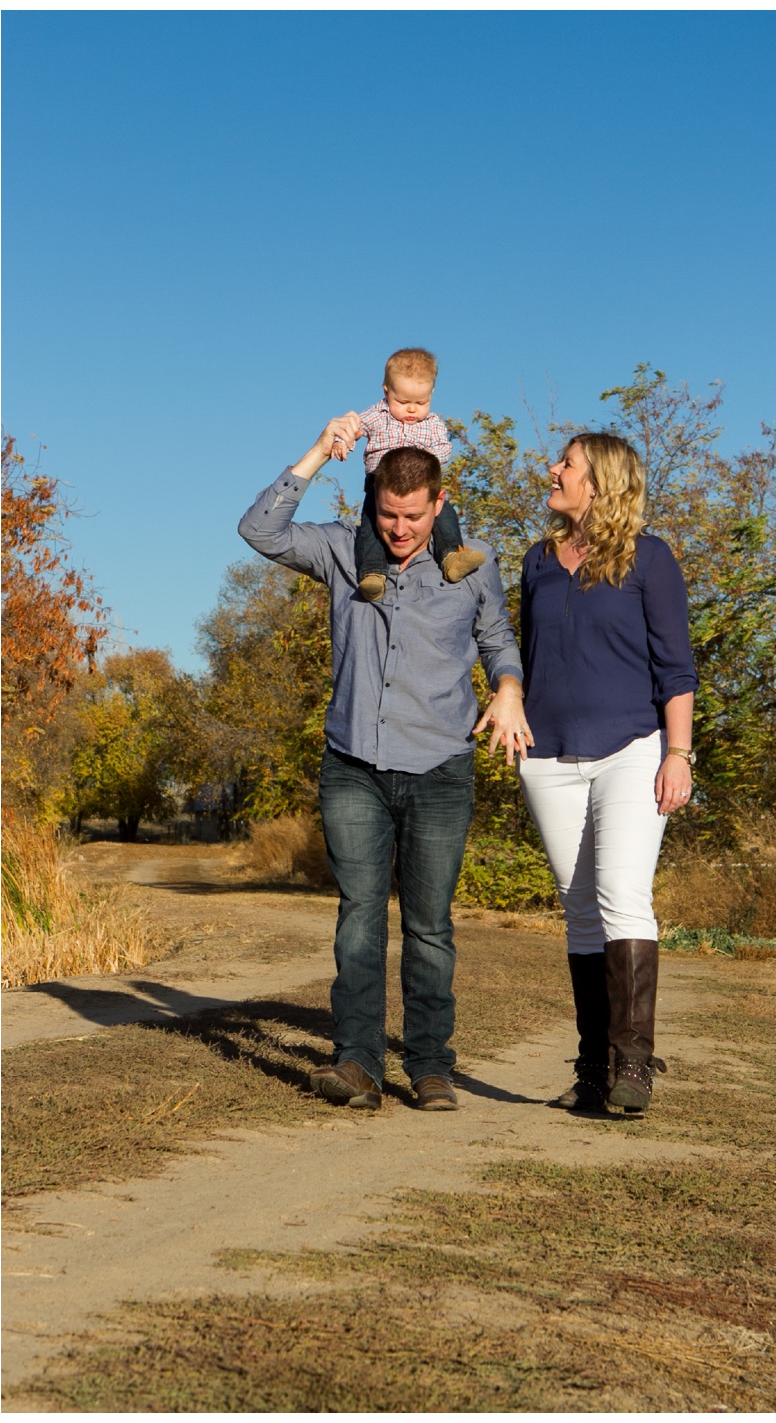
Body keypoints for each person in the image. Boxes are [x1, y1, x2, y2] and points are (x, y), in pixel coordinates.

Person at [239, 414, 531, 1112]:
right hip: (354, 766)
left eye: (412, 515)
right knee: (360, 915)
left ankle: (430, 1066)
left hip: (439, 768)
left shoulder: (474, 564)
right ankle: (359, 1063)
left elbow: (498, 641)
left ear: (439, 504)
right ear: (372, 502)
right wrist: (318, 450)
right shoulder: (344, 550)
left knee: (429, 924)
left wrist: (511, 690)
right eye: (388, 513)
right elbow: (261, 530)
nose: (399, 529)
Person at [516, 432, 697, 1115]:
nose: (553, 470)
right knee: (581, 911)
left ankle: (635, 1066)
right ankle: (593, 1070)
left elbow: (676, 667)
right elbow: (527, 660)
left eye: (566, 464)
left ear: (599, 483)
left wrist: (677, 754)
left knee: (624, 892)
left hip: (632, 750)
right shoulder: (536, 561)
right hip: (549, 758)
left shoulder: (649, 560)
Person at [328, 347, 485, 602]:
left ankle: (452, 555)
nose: (412, 410)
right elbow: (353, 427)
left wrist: (426, 462)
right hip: (381, 483)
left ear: (431, 395)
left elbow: (444, 450)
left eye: (420, 403)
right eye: (402, 402)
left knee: (444, 512)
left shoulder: (432, 423)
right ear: (386, 391)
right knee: (371, 522)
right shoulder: (378, 415)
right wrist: (340, 442)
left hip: (421, 483)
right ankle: (372, 573)